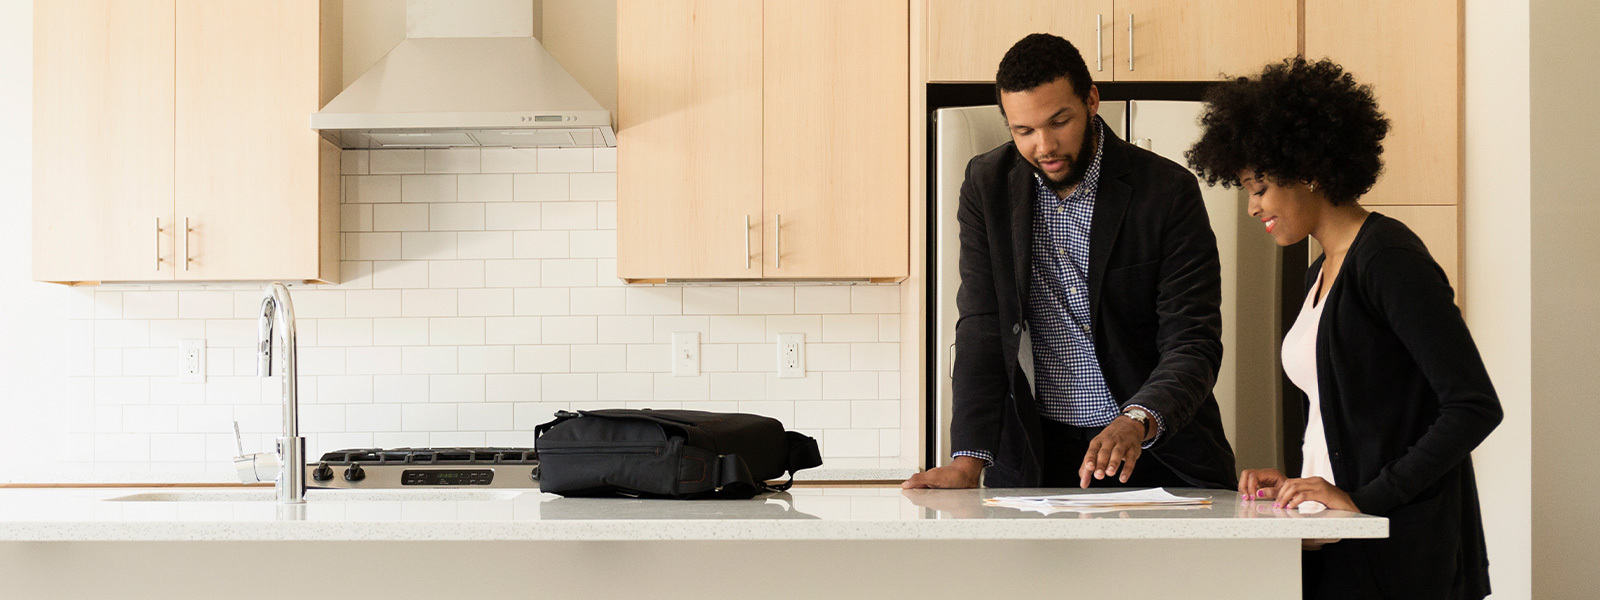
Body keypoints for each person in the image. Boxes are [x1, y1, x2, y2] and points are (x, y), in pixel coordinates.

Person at [1185, 57, 1503, 599]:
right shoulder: (1320, 272)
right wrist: (1295, 484)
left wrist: (1366, 499)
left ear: (1307, 167)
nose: (1252, 206)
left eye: (1259, 187)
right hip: (1337, 538)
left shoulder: (1388, 258)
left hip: (1398, 551)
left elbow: (1473, 405)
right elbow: (1349, 418)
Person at [903, 33, 1236, 491]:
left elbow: (1193, 340)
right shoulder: (987, 186)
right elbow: (982, 324)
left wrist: (1135, 419)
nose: (1044, 146)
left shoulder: (1166, 191)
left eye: (1059, 121)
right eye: (1024, 131)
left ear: (1092, 101)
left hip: (1154, 448)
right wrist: (968, 460)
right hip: (1038, 454)